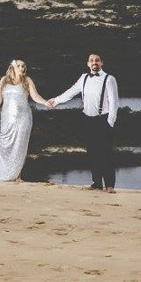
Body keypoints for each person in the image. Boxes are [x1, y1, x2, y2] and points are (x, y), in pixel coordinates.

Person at [48, 54, 120, 193]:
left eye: (97, 60)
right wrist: (55, 101)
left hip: (103, 120)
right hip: (88, 119)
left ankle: (109, 185)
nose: (94, 62)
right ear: (88, 63)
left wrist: (110, 122)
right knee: (92, 152)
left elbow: (114, 103)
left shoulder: (109, 79)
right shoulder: (84, 78)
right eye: (92, 60)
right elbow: (71, 92)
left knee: (105, 153)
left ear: (102, 63)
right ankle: (97, 183)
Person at [0, 59, 51, 182]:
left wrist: (45, 102)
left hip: (23, 118)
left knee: (20, 145)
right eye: (19, 66)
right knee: (7, 145)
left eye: (23, 66)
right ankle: (6, 172)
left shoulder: (27, 80)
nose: (22, 68)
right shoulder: (4, 81)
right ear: (13, 68)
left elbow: (35, 96)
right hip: (7, 118)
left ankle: (17, 175)